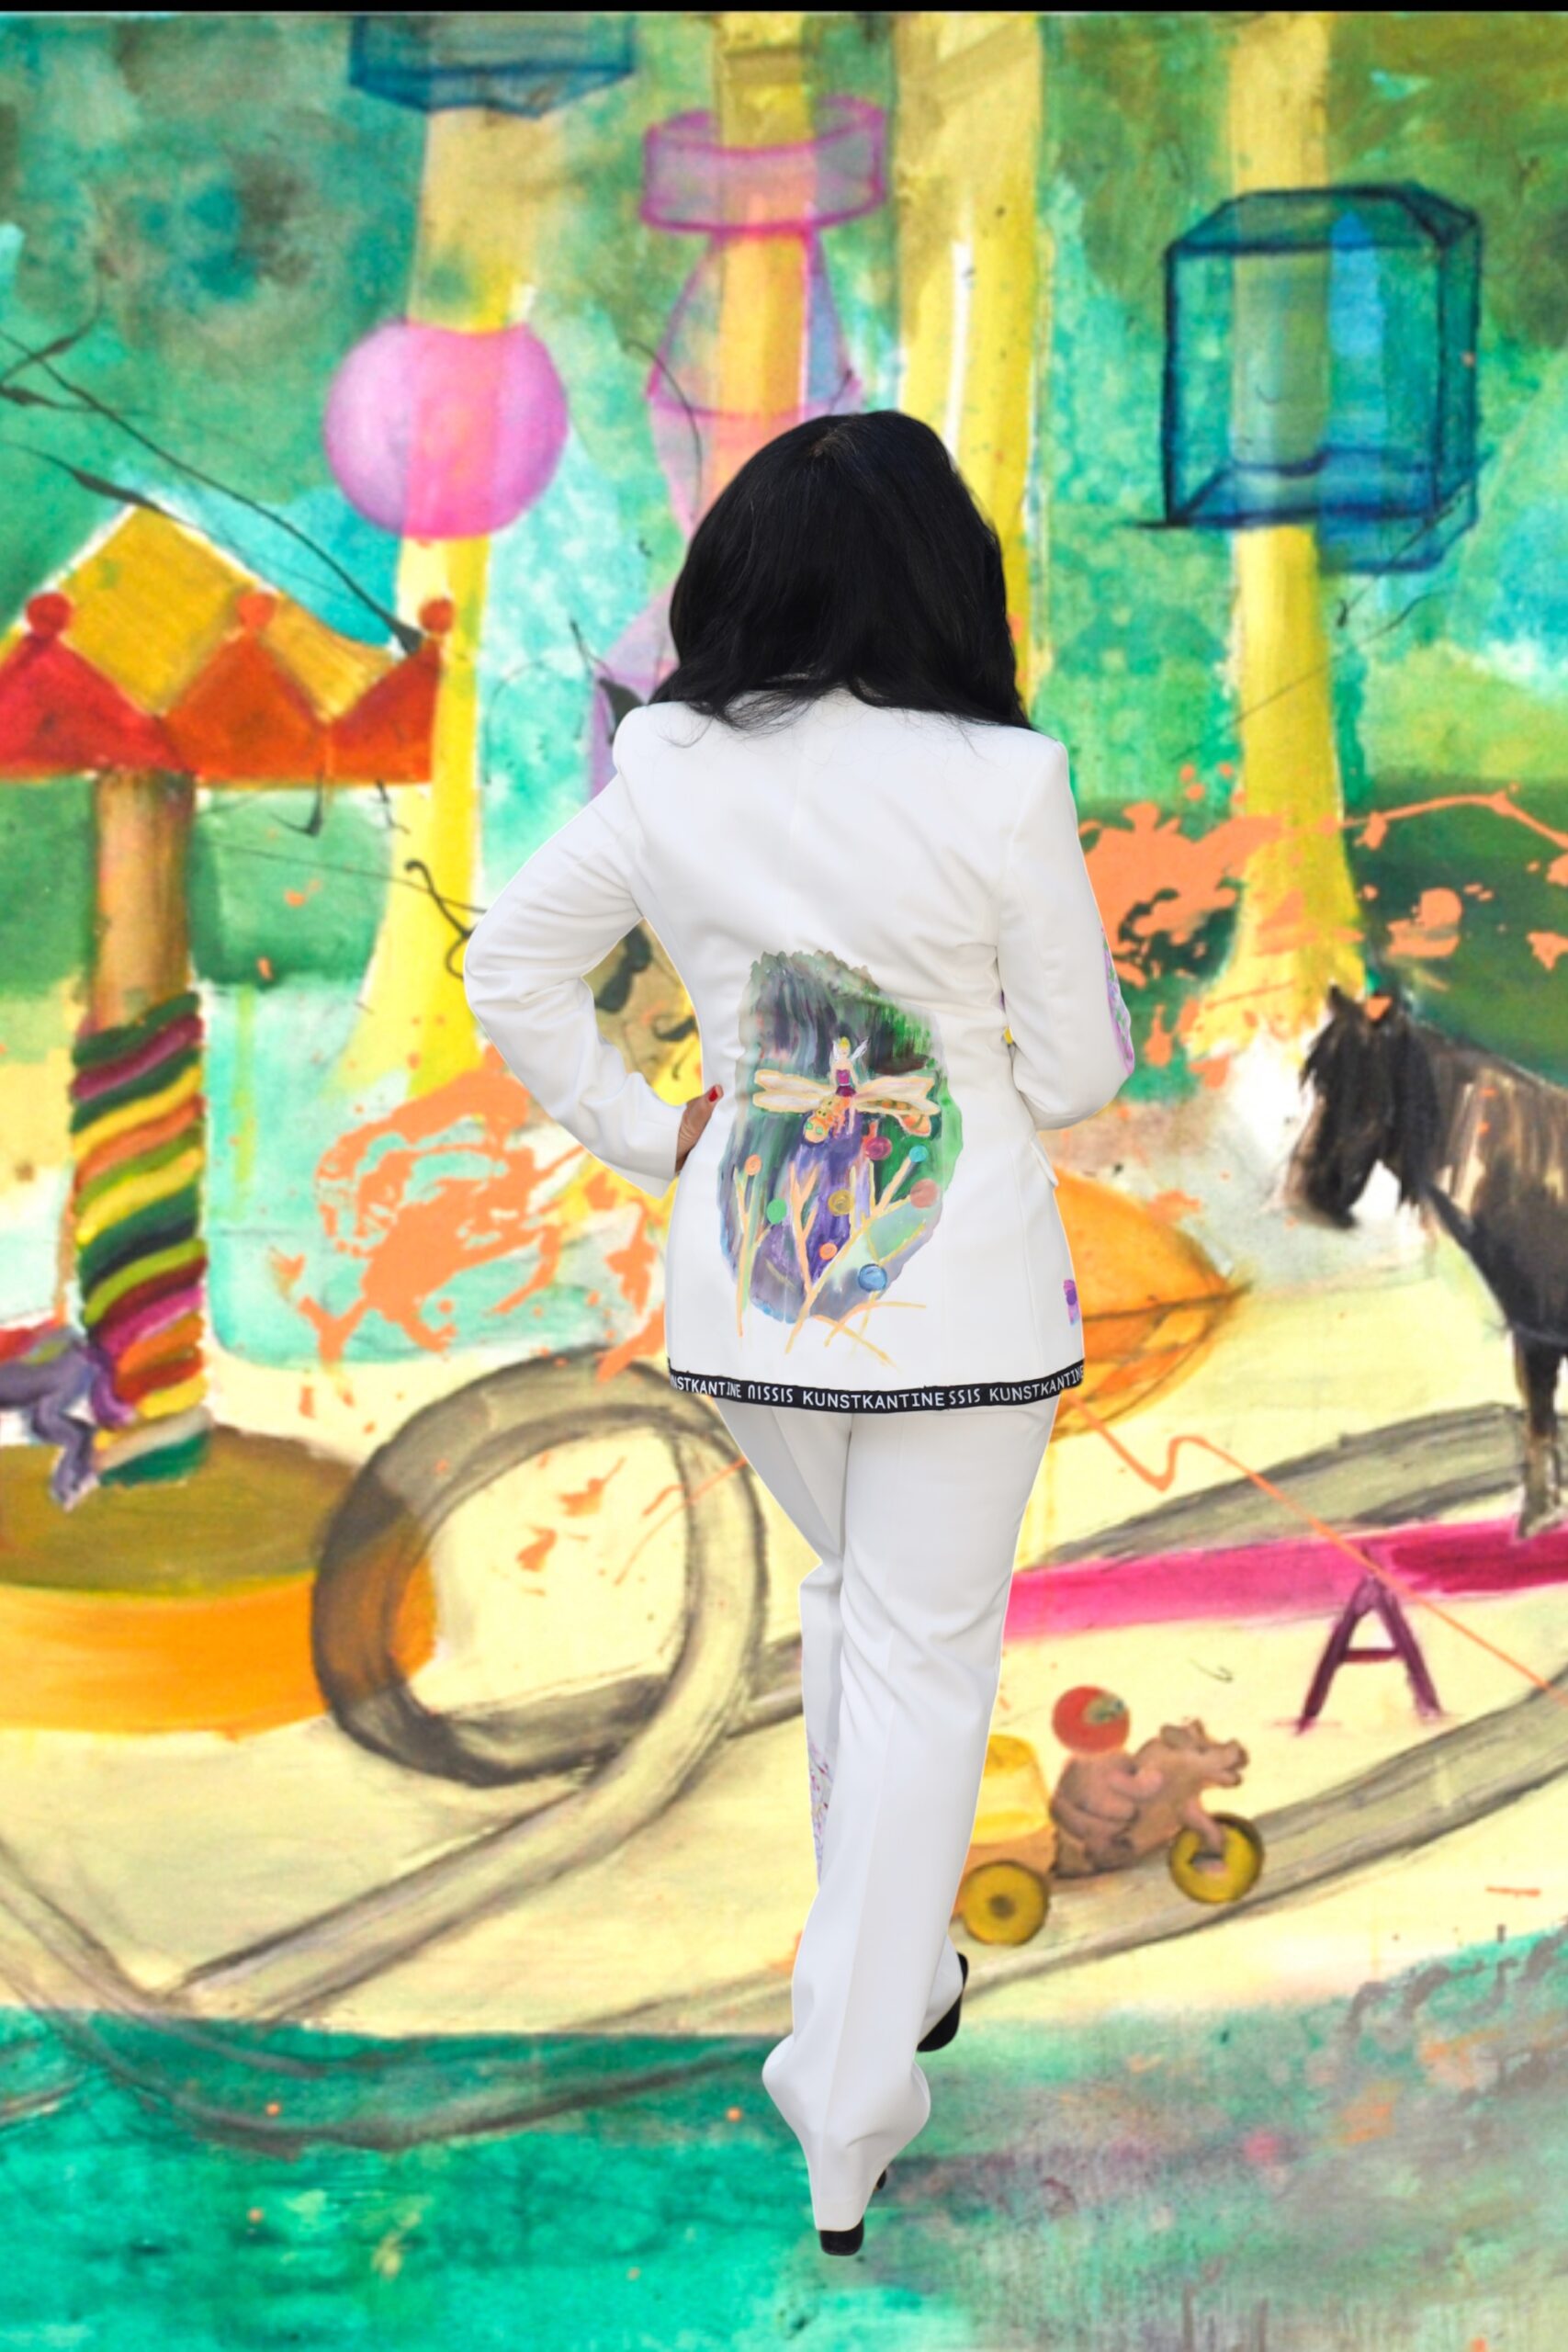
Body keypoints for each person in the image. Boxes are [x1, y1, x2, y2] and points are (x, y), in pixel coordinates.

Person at [463, 409, 1134, 2254]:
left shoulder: (670, 765)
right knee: (920, 1651)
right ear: (943, 581)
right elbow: (1079, 1070)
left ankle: (892, 1976)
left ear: (740, 579)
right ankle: (847, 2091)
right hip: (957, 1298)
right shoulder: (1002, 780)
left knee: (860, 1611)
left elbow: (509, 965)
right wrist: (975, 1073)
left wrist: (648, 1128)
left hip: (752, 1284)